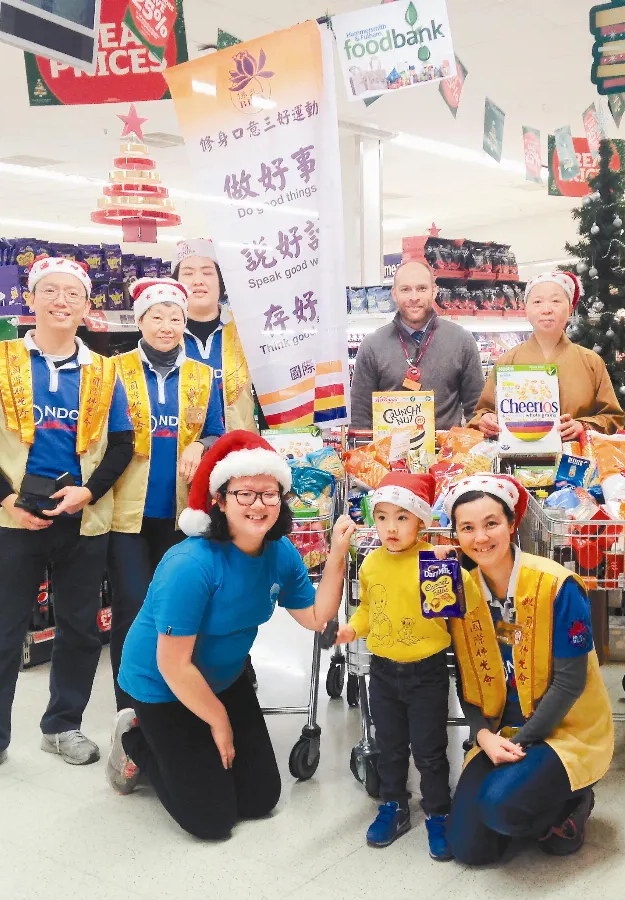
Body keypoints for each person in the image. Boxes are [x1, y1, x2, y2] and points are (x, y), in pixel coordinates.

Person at [106, 431, 354, 840]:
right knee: (211, 821)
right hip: (163, 685)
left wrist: (338, 554)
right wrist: (218, 722)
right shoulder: (189, 564)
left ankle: (193, 740)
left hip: (224, 677)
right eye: (245, 494)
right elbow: (172, 663)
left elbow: (315, 616)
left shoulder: (280, 552)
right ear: (219, 499)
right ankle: (136, 738)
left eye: (269, 493)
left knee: (261, 799)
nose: (259, 505)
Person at [0, 257, 134, 788]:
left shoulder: (103, 370)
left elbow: (122, 444)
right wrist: (8, 500)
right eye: (50, 291)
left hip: (83, 519)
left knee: (79, 629)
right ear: (32, 300)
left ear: (85, 306)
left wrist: (88, 492)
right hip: (15, 520)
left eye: (72, 294)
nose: (61, 301)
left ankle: (62, 725)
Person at [440, 474, 614, 864]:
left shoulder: (557, 585)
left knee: (500, 806)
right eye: (467, 528)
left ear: (511, 525)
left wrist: (522, 741)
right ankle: (518, 802)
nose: (480, 538)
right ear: (456, 534)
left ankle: (573, 802)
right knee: (469, 850)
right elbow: (466, 674)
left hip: (561, 726)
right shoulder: (459, 591)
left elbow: (570, 683)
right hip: (501, 725)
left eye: (491, 524)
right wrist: (482, 734)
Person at [333, 472, 478, 861]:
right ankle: (393, 805)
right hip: (382, 672)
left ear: (420, 521)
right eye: (381, 517)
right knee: (390, 746)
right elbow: (367, 607)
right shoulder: (371, 563)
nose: (391, 527)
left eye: (402, 517)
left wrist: (455, 567)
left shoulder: (433, 559)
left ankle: (438, 812)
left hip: (426, 673)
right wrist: (351, 629)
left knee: (429, 751)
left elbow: (464, 600)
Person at [106, 277, 225, 728]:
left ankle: (177, 699)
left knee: (181, 609)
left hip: (183, 515)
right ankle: (130, 709)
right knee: (132, 608)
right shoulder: (113, 369)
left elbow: (216, 428)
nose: (167, 326)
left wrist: (202, 445)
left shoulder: (201, 375)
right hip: (128, 512)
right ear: (140, 322)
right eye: (156, 317)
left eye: (175, 317)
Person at [471, 272, 624, 440]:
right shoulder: (507, 362)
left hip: (576, 462)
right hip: (517, 462)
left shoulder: (591, 362)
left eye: (556, 301)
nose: (546, 310)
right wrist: (486, 421)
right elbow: (482, 413)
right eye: (537, 302)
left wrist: (583, 426)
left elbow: (613, 418)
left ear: (571, 308)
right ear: (526, 310)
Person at [350, 259, 486, 431]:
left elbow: (477, 410)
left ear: (434, 291)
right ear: (394, 294)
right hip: (387, 456)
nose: (414, 297)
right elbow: (360, 415)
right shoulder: (372, 345)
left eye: (422, 288)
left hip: (445, 455)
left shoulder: (462, 341)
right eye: (405, 289)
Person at [174, 239, 258, 433]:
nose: (197, 280)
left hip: (239, 454)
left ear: (221, 282)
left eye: (207, 272)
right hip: (181, 456)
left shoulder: (245, 334)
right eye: (187, 272)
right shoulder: (164, 338)